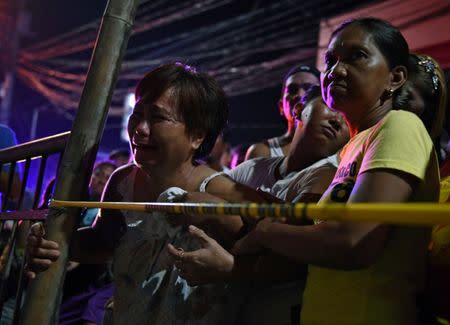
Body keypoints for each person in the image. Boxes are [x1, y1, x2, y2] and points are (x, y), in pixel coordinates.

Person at [171, 18, 440, 325]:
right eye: (331, 60)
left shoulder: (399, 127)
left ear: (395, 78)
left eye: (357, 56)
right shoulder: (355, 145)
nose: (336, 70)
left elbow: (353, 243)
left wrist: (266, 232)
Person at [26, 63, 263, 324]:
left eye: (158, 118)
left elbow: (286, 248)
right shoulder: (123, 181)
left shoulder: (220, 191)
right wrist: (55, 243)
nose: (140, 128)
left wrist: (230, 262)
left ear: (197, 135)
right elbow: (104, 241)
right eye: (137, 114)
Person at [245, 65, 320, 160]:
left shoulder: (334, 151)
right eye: (292, 90)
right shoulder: (261, 153)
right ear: (281, 106)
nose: (299, 95)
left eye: (308, 89)